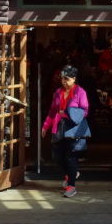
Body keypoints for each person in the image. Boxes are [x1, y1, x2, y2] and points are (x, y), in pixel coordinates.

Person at [40, 64, 90, 198]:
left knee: (70, 157)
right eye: (62, 78)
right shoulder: (57, 92)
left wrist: (68, 113)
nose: (64, 81)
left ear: (74, 79)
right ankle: (71, 173)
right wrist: (45, 126)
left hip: (73, 127)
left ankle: (71, 186)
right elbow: (52, 111)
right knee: (57, 157)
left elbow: (85, 111)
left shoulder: (80, 92)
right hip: (58, 126)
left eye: (67, 78)